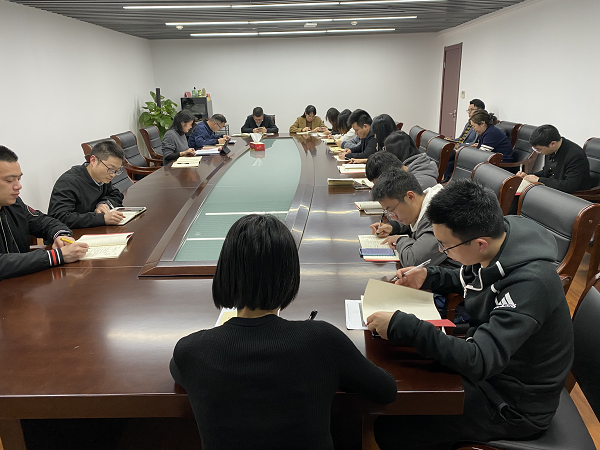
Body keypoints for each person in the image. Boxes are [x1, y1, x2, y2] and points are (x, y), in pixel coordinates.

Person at [367, 179, 574, 450]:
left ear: (479, 244)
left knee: (393, 426)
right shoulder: (500, 239)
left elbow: (479, 360)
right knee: (404, 376)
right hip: (496, 371)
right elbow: (472, 277)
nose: (441, 251)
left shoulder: (531, 284)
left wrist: (406, 326)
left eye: (445, 246)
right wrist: (429, 275)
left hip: (513, 404)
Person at [170, 214, 397, 450]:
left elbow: (182, 373)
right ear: (289, 276)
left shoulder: (191, 351)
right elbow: (386, 390)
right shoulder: (323, 340)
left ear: (225, 272)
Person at [0, 146, 89, 281]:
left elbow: (45, 222)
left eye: (19, 179)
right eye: (9, 180)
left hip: (23, 283)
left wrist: (61, 236)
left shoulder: (15, 204)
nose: (18, 186)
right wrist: (56, 256)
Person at [369, 168, 447, 268]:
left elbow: (414, 261)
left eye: (392, 210)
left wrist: (399, 240)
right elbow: (416, 219)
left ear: (410, 197)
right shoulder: (425, 202)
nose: (392, 217)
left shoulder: (439, 215)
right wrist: (393, 227)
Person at [48, 140, 127, 228]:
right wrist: (102, 218)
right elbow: (61, 218)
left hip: (92, 229)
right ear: (93, 160)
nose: (113, 175)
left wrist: (104, 204)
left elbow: (116, 194)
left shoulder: (102, 178)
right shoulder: (68, 182)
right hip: (71, 234)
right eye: (110, 169)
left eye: (116, 171)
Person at [516, 124, 591, 193]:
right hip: (553, 188)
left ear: (552, 144)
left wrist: (538, 180)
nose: (538, 152)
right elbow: (546, 172)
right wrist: (527, 176)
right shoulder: (551, 149)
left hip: (570, 195)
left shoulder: (575, 155)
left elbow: (569, 186)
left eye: (539, 149)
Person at [443, 98, 486, 181]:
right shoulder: (468, 123)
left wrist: (458, 145)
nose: (469, 112)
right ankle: (444, 179)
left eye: (471, 110)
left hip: (467, 151)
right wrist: (451, 140)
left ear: (480, 110)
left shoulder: (480, 125)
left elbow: (475, 144)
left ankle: (446, 181)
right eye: (468, 110)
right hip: (461, 148)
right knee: (445, 152)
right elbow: (461, 138)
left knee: (448, 155)